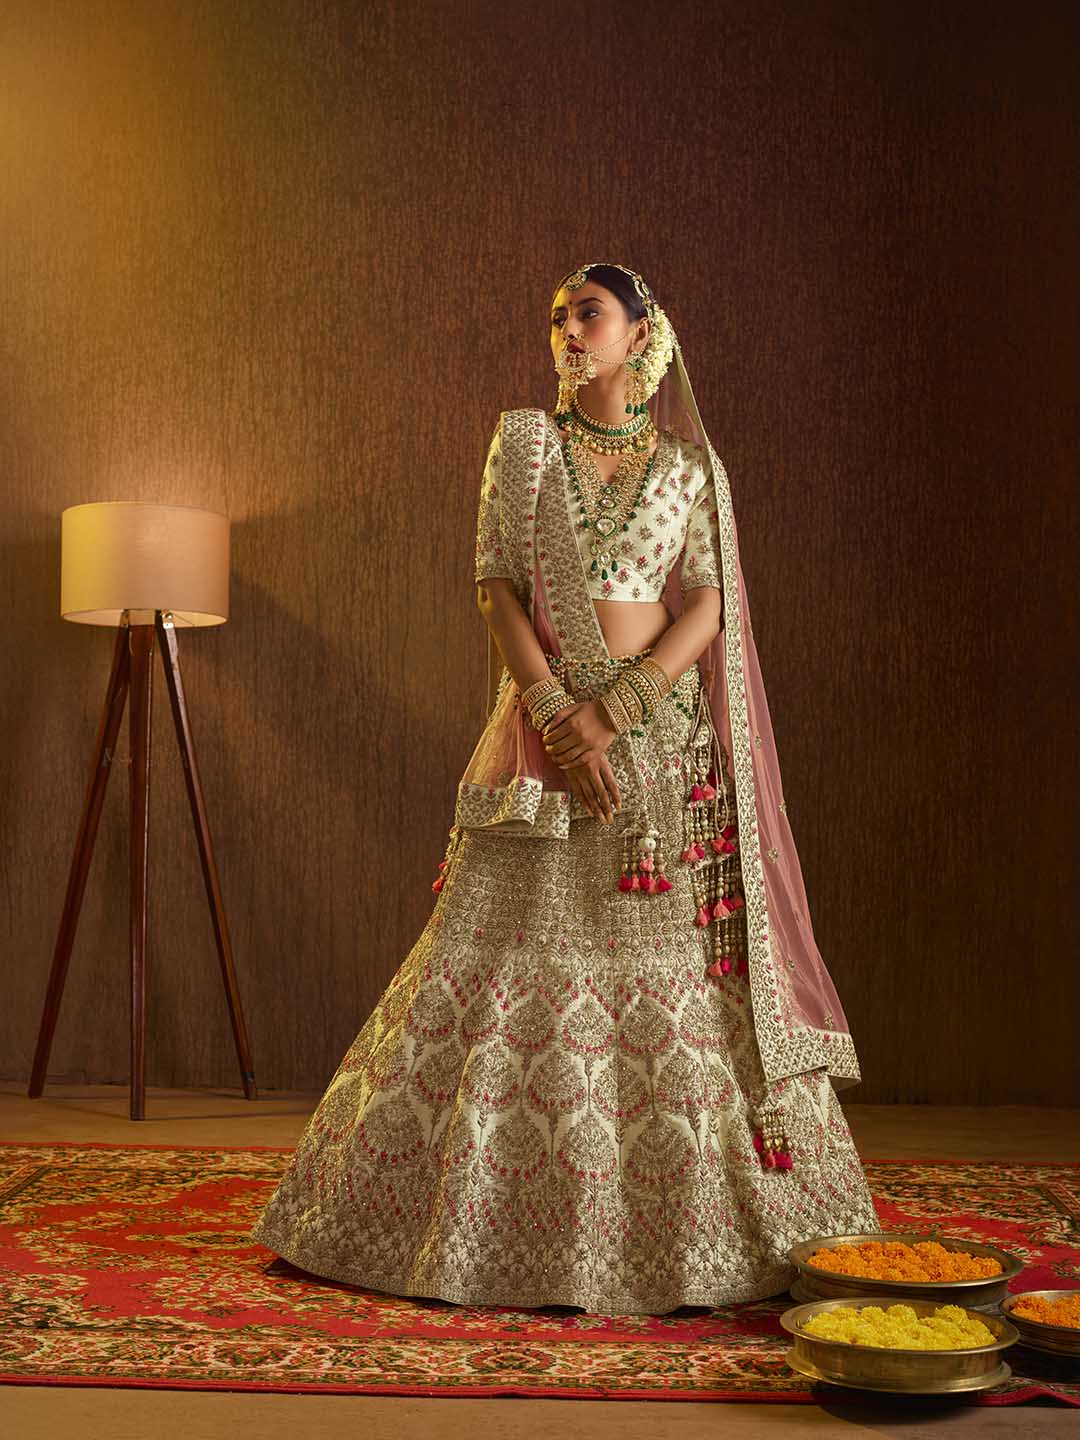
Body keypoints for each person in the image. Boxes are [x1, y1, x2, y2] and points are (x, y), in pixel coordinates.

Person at [248, 262, 881, 1315]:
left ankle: (704, 1236)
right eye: (556, 317)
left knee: (678, 976)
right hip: (541, 745)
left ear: (642, 334)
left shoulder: (690, 468)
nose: (567, 331)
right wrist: (555, 715)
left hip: (659, 754)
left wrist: (618, 711)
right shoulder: (526, 444)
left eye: (589, 313)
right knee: (496, 959)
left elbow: (707, 603)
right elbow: (496, 586)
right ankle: (472, 1229)